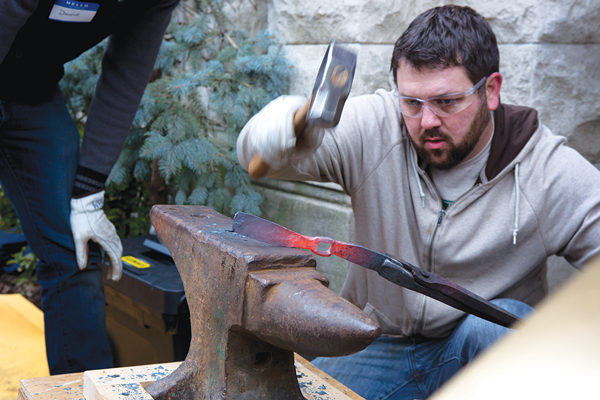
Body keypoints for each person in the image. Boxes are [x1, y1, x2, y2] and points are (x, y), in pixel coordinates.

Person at [237, 5, 600, 399]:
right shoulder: (377, 126)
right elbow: (258, 155)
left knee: (499, 327)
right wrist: (290, 123)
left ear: (490, 90)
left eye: (447, 102)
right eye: (412, 102)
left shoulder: (546, 171)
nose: (426, 121)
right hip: (378, 344)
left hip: (486, 353)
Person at [0, 0, 179, 374]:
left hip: (30, 90)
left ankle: (82, 391)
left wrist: (88, 194)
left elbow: (126, 73)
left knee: (73, 252)